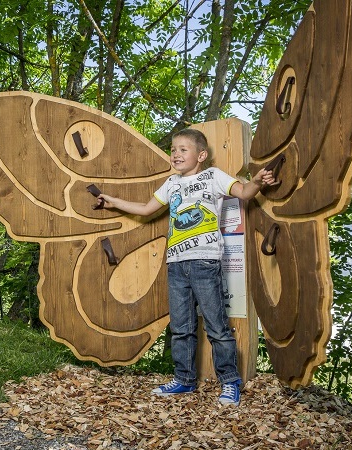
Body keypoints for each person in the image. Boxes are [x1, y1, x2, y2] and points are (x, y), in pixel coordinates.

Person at [95, 128, 279, 406]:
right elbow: (146, 209)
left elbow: (244, 192)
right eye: (173, 149)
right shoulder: (171, 184)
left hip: (205, 261)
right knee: (181, 327)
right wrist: (113, 201)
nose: (176, 154)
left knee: (217, 327)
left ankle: (230, 383)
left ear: (201, 155)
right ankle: (183, 380)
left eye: (183, 149)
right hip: (176, 264)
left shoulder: (213, 176)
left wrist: (258, 182)